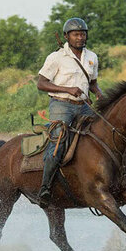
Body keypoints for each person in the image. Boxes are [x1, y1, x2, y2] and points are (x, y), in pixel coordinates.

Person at [36, 17, 105, 208]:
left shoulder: (92, 56)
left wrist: (98, 93)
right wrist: (67, 89)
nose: (80, 37)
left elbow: (92, 82)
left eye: (83, 34)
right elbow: (41, 83)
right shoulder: (56, 57)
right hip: (61, 104)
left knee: (104, 133)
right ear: (67, 36)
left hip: (83, 104)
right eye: (75, 34)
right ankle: (45, 187)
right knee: (58, 142)